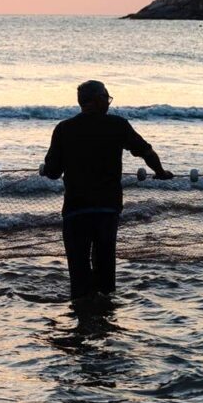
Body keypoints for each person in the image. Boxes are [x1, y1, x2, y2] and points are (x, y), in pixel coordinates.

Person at [43, 80, 173, 301]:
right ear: (96, 100)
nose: (109, 101)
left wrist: (48, 169)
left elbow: (54, 172)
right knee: (105, 271)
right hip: (107, 209)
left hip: (76, 210)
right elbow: (146, 152)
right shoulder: (117, 125)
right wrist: (160, 172)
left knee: (79, 272)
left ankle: (83, 318)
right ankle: (104, 322)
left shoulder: (64, 129)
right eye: (107, 97)